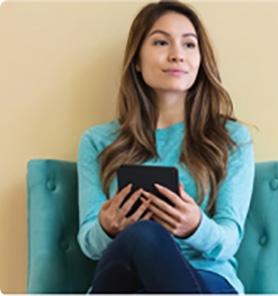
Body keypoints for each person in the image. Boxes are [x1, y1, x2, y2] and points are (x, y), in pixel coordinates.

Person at [76, 0, 255, 293]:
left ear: (200, 58)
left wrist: (196, 226)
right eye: (161, 42)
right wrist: (107, 226)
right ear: (136, 59)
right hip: (125, 280)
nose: (177, 56)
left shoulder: (231, 138)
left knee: (147, 236)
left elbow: (229, 240)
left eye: (188, 45)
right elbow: (89, 244)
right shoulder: (98, 142)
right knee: (142, 236)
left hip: (206, 278)